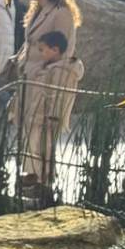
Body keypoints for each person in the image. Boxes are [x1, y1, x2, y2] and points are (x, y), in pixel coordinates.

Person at [17, 29, 84, 202]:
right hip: (37, 114)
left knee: (44, 148)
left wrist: (54, 115)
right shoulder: (48, 67)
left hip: (48, 117)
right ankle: (34, 174)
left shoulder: (63, 70)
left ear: (55, 50)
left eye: (43, 50)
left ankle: (43, 178)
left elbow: (59, 96)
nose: (41, 54)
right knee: (33, 145)